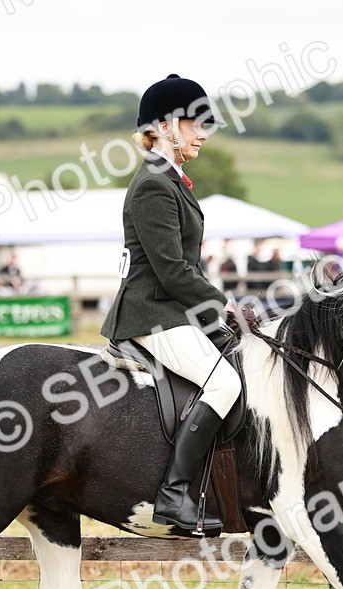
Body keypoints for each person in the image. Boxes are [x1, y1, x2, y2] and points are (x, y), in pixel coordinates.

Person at [100, 73, 247, 534]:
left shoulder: (174, 181)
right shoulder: (152, 186)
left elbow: (187, 266)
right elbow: (171, 270)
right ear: (163, 127)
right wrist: (222, 304)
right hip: (151, 315)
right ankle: (173, 495)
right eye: (193, 123)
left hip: (174, 312)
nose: (203, 133)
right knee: (224, 385)